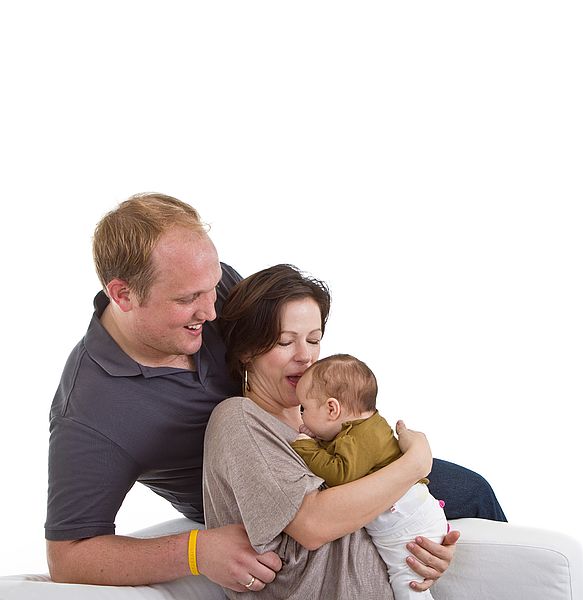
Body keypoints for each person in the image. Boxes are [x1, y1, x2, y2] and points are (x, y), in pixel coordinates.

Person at [45, 192, 503, 590]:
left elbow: (285, 355)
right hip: (257, 501)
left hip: (319, 455)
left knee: (468, 495)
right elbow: (67, 555)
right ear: (122, 294)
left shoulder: (213, 288)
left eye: (212, 287)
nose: (211, 310)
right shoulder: (89, 411)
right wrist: (194, 551)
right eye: (187, 299)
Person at [204, 264, 448, 598]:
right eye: (285, 342)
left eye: (314, 339)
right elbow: (313, 525)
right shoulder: (240, 419)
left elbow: (372, 509)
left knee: (476, 491)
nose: (305, 357)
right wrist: (415, 464)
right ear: (247, 350)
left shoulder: (324, 424)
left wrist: (421, 546)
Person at [292, 353, 449, 599]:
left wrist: (307, 447)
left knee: (408, 586)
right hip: (410, 515)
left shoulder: (360, 437)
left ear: (332, 409)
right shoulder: (361, 428)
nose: (301, 415)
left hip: (407, 521)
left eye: (305, 408)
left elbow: (340, 474)